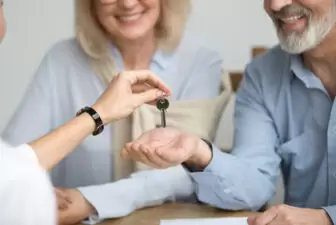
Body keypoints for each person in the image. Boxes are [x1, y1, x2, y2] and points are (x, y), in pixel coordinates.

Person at [1, 0, 223, 224]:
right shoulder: (61, 60)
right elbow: (10, 161)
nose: (127, 4)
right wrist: (34, 189)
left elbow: (190, 171)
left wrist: (90, 201)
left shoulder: (201, 61)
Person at [122, 0, 336, 225]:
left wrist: (327, 218)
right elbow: (254, 188)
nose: (275, 5)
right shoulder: (262, 74)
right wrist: (200, 152)